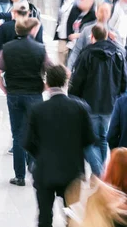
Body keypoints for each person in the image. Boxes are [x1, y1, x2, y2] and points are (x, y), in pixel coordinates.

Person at [24, 64, 96, 227]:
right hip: (73, 172)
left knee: (44, 216)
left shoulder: (37, 109)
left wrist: (43, 154)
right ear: (66, 82)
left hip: (45, 171)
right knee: (72, 216)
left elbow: (28, 143)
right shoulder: (80, 108)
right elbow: (89, 140)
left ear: (47, 84)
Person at [0, 18, 49, 186]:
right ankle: (33, 166)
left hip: (14, 94)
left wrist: (5, 90)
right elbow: (53, 72)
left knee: (17, 135)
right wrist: (44, 87)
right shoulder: (40, 49)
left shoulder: (7, 49)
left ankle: (19, 176)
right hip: (34, 94)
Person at [69, 24, 127, 176]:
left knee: (87, 141)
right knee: (102, 138)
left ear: (92, 36)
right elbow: (123, 81)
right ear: (107, 35)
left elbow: (77, 80)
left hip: (89, 104)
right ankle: (102, 174)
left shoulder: (86, 54)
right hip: (110, 106)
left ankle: (100, 175)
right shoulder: (118, 54)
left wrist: (72, 99)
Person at [67, 3, 121, 71]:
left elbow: (123, 53)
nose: (104, 14)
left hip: (107, 72)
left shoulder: (114, 33)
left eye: (107, 11)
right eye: (101, 11)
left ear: (110, 15)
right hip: (88, 70)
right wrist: (69, 68)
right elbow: (76, 50)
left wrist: (115, 40)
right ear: (96, 13)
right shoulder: (87, 30)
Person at [65, 0, 98, 66]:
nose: (81, 1)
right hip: (72, 45)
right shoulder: (75, 10)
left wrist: (78, 35)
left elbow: (91, 32)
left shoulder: (93, 15)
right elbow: (69, 23)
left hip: (81, 47)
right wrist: (69, 36)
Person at [55, 0, 81, 65]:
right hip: (62, 36)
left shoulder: (78, 1)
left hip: (73, 38)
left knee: (71, 64)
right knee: (61, 63)